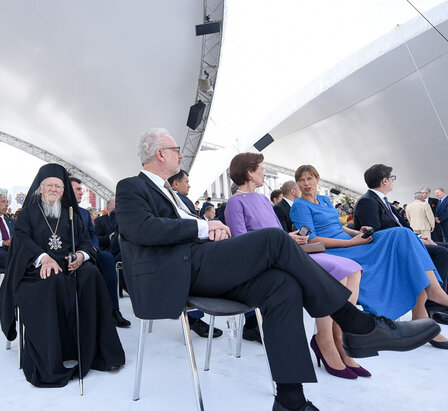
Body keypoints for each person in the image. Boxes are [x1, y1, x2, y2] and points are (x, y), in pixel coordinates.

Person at [115, 128, 439, 411]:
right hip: (179, 272)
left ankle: (290, 399)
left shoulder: (176, 196)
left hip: (205, 263)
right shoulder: (132, 186)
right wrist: (203, 227)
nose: (181, 154)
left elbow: (187, 226)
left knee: (282, 285)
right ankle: (359, 324)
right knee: (272, 239)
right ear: (160, 153)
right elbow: (141, 229)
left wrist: (209, 227)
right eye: (175, 149)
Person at [225, 153, 367, 379]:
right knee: (338, 272)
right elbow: (242, 244)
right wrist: (284, 240)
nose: (263, 172)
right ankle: (325, 341)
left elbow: (276, 232)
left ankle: (339, 337)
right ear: (250, 172)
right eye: (260, 168)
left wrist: (290, 236)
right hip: (269, 261)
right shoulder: (235, 202)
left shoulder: (262, 199)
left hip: (287, 251)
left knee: (353, 268)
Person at [291, 164, 448, 349]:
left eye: (309, 178)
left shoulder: (324, 200)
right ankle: (432, 296)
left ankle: (430, 297)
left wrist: (358, 232)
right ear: (297, 184)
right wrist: (352, 242)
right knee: (402, 237)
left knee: (404, 234)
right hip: (336, 250)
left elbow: (339, 227)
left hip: (350, 242)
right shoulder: (299, 206)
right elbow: (312, 239)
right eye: (301, 180)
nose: (306, 183)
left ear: (317, 179)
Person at [0, 163, 125, 387]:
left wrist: (81, 256)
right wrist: (42, 258)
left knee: (91, 275)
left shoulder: (70, 214)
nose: (54, 190)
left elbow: (85, 241)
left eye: (58, 186)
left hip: (69, 265)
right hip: (35, 270)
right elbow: (21, 242)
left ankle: (97, 352)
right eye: (50, 185)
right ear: (41, 187)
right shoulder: (28, 213)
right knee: (52, 280)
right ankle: (51, 358)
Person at [351, 165, 448, 325]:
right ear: (384, 180)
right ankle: (434, 301)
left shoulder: (382, 201)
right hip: (391, 248)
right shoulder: (367, 201)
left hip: (404, 242)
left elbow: (404, 226)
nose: (393, 181)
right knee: (441, 253)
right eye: (392, 178)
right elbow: (375, 234)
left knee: (444, 247)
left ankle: (435, 300)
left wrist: (418, 238)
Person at [167, 170, 223, 338]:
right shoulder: (179, 200)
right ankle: (194, 318)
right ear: (176, 184)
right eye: (186, 182)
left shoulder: (179, 199)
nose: (189, 185)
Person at [70, 177, 130, 328]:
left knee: (108, 258)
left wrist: (94, 248)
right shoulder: (59, 211)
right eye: (77, 189)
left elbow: (92, 234)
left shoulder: (84, 213)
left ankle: (114, 310)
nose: (81, 192)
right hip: (68, 254)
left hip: (89, 251)